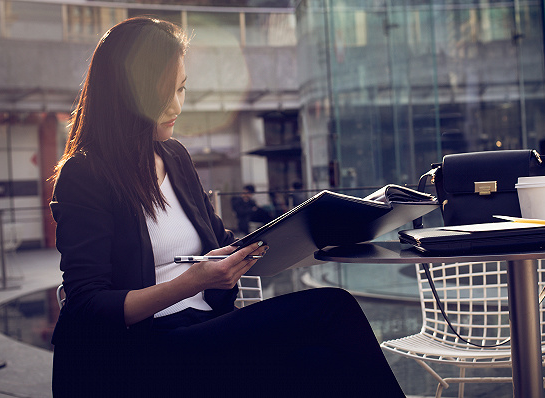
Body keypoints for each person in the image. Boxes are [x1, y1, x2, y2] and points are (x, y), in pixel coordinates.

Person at [49, 17, 404, 398]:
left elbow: (226, 243)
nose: (176, 106)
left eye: (181, 89)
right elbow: (86, 307)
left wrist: (325, 232)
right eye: (163, 93)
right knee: (332, 307)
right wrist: (192, 282)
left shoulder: (174, 157)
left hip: (206, 329)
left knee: (322, 362)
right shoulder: (85, 174)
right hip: (144, 350)